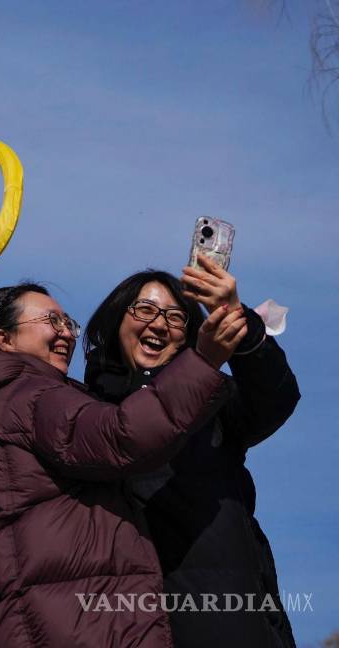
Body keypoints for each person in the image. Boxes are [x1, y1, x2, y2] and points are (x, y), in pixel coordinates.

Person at [0, 282, 246, 648]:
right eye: (52, 321)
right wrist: (203, 362)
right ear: (5, 339)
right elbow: (122, 436)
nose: (66, 333)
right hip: (73, 628)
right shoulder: (30, 396)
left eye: (68, 323)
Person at [83, 257, 299, 647]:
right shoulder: (82, 413)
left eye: (175, 317)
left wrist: (237, 320)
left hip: (233, 620)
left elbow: (275, 399)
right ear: (115, 321)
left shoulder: (212, 405)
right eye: (145, 309)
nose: (159, 324)